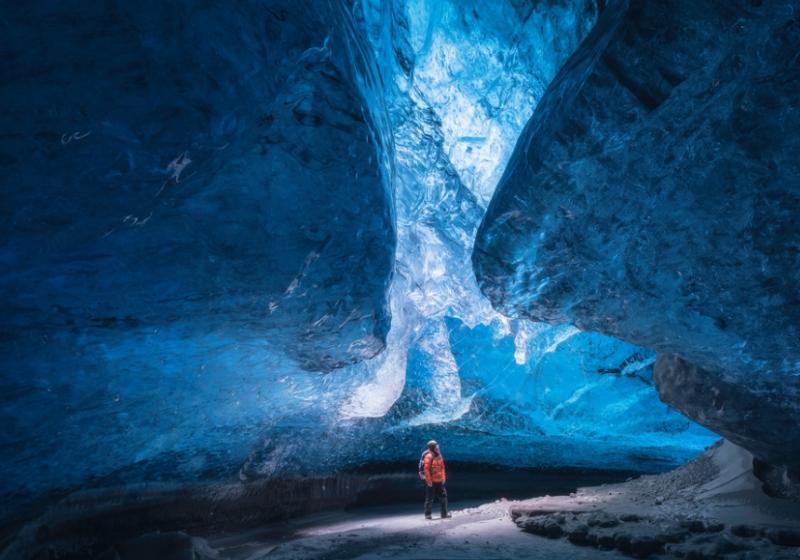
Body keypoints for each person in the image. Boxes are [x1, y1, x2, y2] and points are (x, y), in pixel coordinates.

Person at [419, 440, 450, 519]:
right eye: (436, 446)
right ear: (432, 447)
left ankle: (444, 514)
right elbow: (426, 470)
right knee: (430, 498)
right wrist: (429, 481)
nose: (438, 447)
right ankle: (427, 514)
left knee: (443, 497)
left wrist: (443, 477)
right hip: (432, 481)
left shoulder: (439, 455)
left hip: (439, 480)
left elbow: (442, 467)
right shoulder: (428, 456)